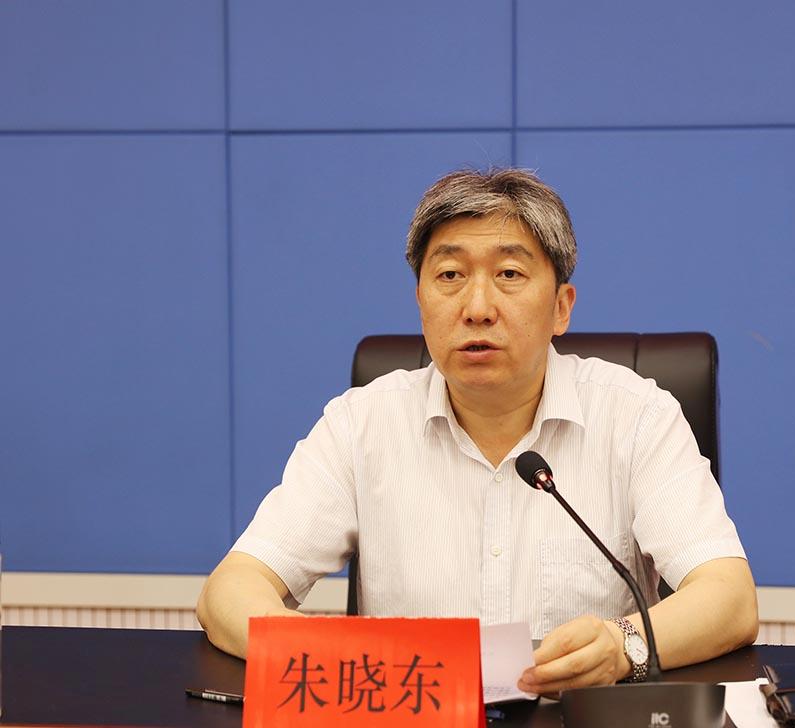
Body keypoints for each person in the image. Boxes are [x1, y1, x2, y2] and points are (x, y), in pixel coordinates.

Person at [197, 168, 758, 695]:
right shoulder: (359, 425)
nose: (477, 307)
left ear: (561, 307)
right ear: (421, 301)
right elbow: (229, 591)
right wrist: (324, 653)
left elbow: (729, 599)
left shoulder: (637, 417)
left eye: (509, 274)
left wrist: (622, 645)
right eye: (450, 276)